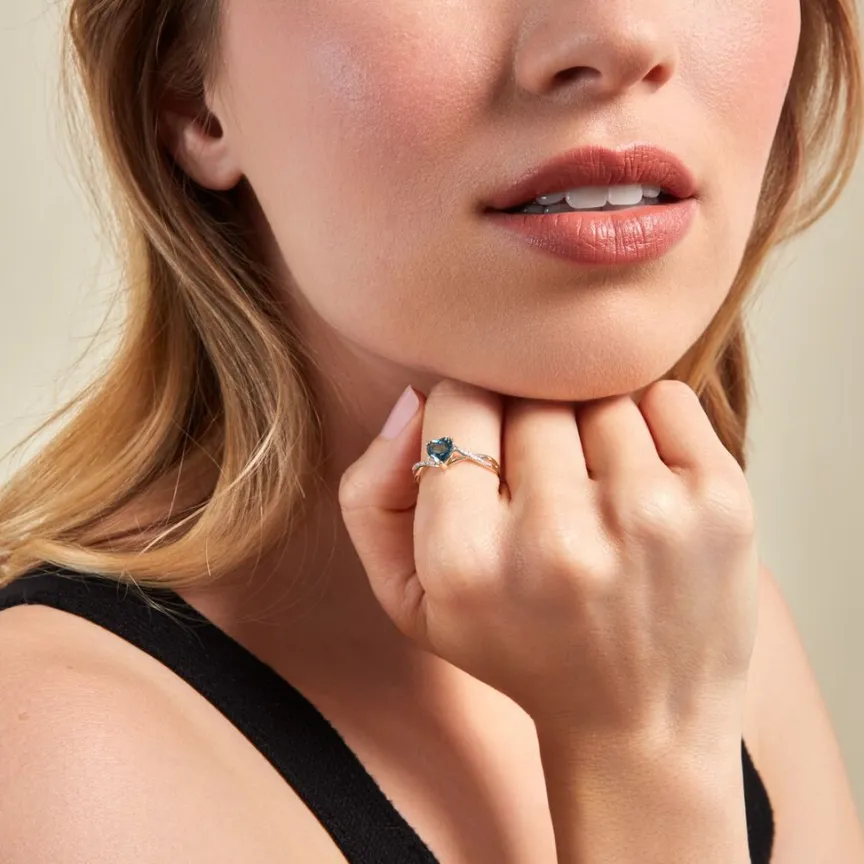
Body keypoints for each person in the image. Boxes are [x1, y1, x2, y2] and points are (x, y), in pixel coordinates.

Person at [1, 0, 863, 861]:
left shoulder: (695, 622)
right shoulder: (54, 764)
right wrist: (647, 762)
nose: (621, 36)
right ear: (189, 95)